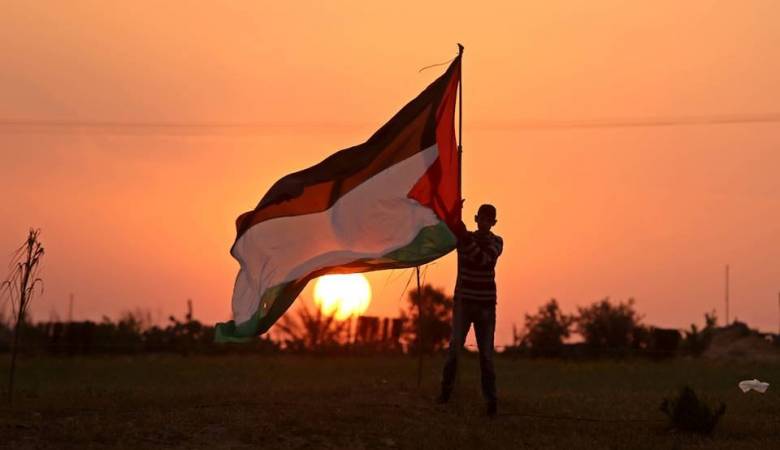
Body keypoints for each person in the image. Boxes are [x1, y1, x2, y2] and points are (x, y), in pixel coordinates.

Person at [437, 203, 503, 417]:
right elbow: (453, 232)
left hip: (485, 306)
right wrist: (454, 215)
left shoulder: (497, 242)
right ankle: (444, 394)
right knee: (454, 350)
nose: (484, 223)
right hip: (464, 303)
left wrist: (464, 237)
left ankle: (491, 402)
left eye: (488, 220)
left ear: (493, 223)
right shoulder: (463, 238)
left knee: (486, 356)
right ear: (476, 218)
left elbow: (484, 260)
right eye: (481, 218)